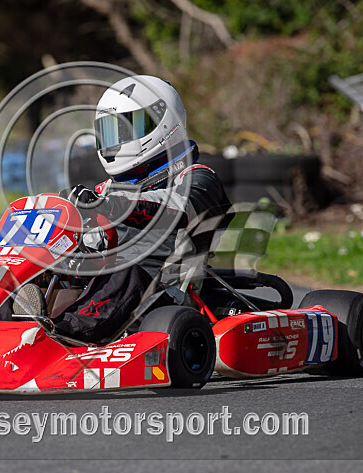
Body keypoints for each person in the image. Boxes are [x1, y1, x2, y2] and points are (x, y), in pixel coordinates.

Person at [52, 75, 232, 343]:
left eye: (127, 128)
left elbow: (177, 209)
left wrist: (114, 205)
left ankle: (63, 333)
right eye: (110, 132)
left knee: (127, 267)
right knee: (44, 260)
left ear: (164, 123)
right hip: (103, 285)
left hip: (162, 288)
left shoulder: (198, 178)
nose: (117, 140)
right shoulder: (106, 191)